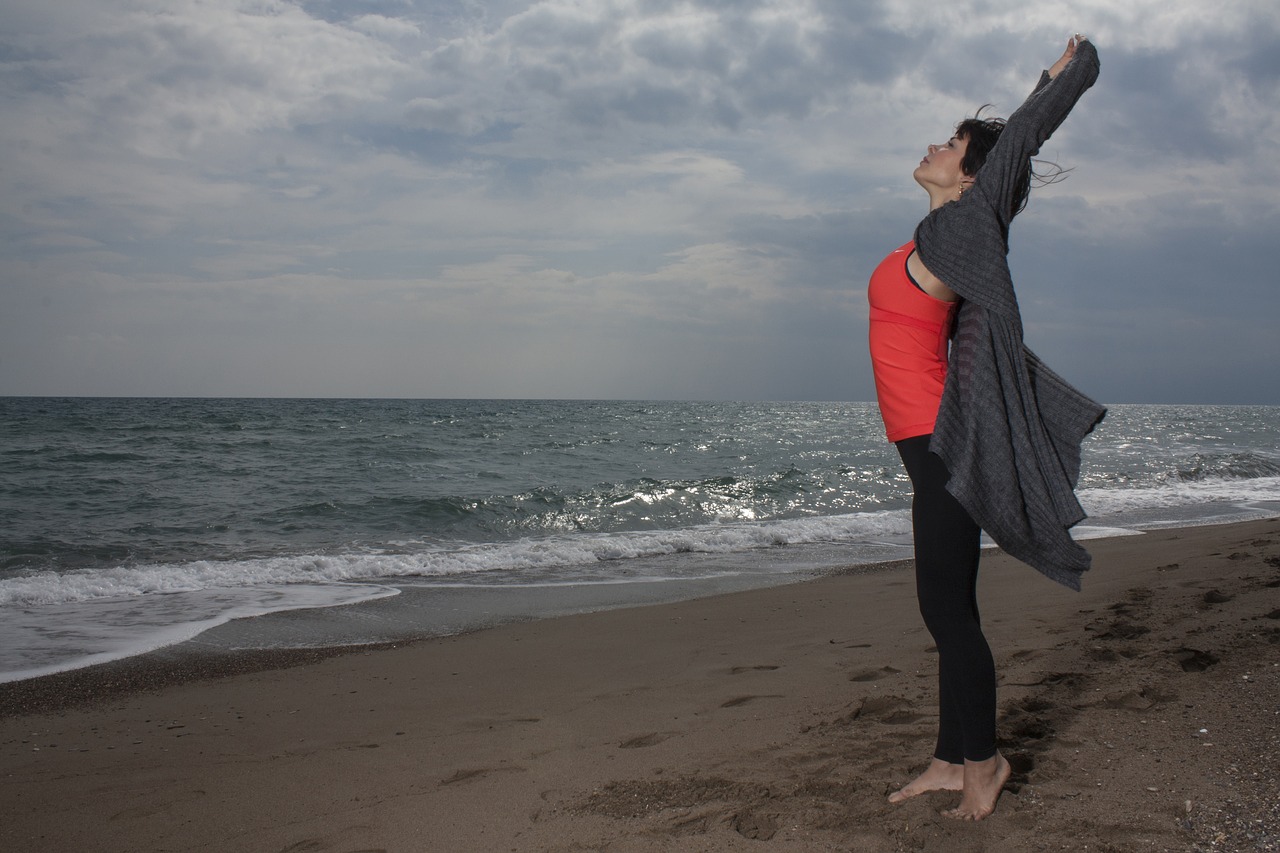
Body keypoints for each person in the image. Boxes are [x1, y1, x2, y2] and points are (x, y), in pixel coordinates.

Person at [866, 35, 1105, 820]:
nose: (935, 144)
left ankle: (985, 762)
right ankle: (948, 757)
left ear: (971, 173)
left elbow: (1025, 138)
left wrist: (1060, 77)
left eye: (952, 142)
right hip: (921, 444)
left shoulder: (963, 227)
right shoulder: (932, 233)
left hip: (944, 443)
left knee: (946, 610)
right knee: (948, 604)